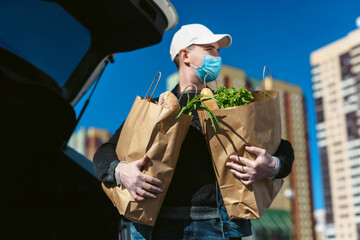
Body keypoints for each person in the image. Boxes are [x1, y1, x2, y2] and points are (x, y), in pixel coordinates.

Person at [93, 23, 294, 239]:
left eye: (218, 51)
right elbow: (104, 152)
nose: (217, 57)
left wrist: (272, 166)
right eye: (210, 50)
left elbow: (282, 147)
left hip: (219, 227)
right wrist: (122, 172)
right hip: (156, 226)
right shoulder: (154, 110)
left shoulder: (232, 107)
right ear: (185, 55)